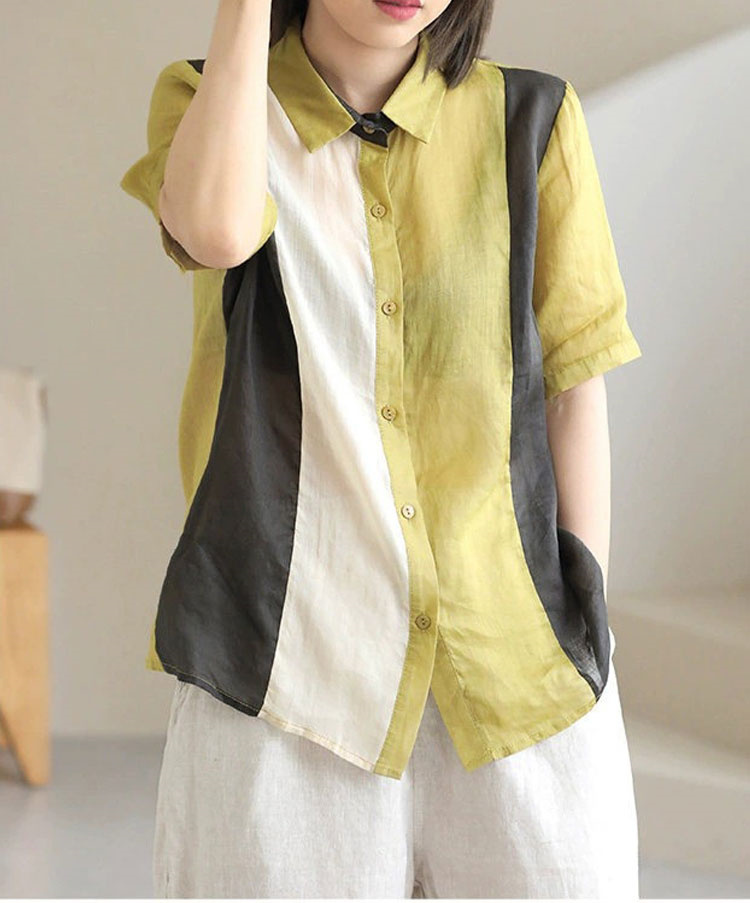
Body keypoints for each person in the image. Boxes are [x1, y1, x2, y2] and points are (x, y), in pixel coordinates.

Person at [119, 0, 643, 897]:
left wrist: (585, 613)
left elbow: (574, 385)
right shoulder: (217, 105)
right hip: (284, 674)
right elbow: (217, 231)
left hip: (517, 665)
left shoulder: (532, 119)